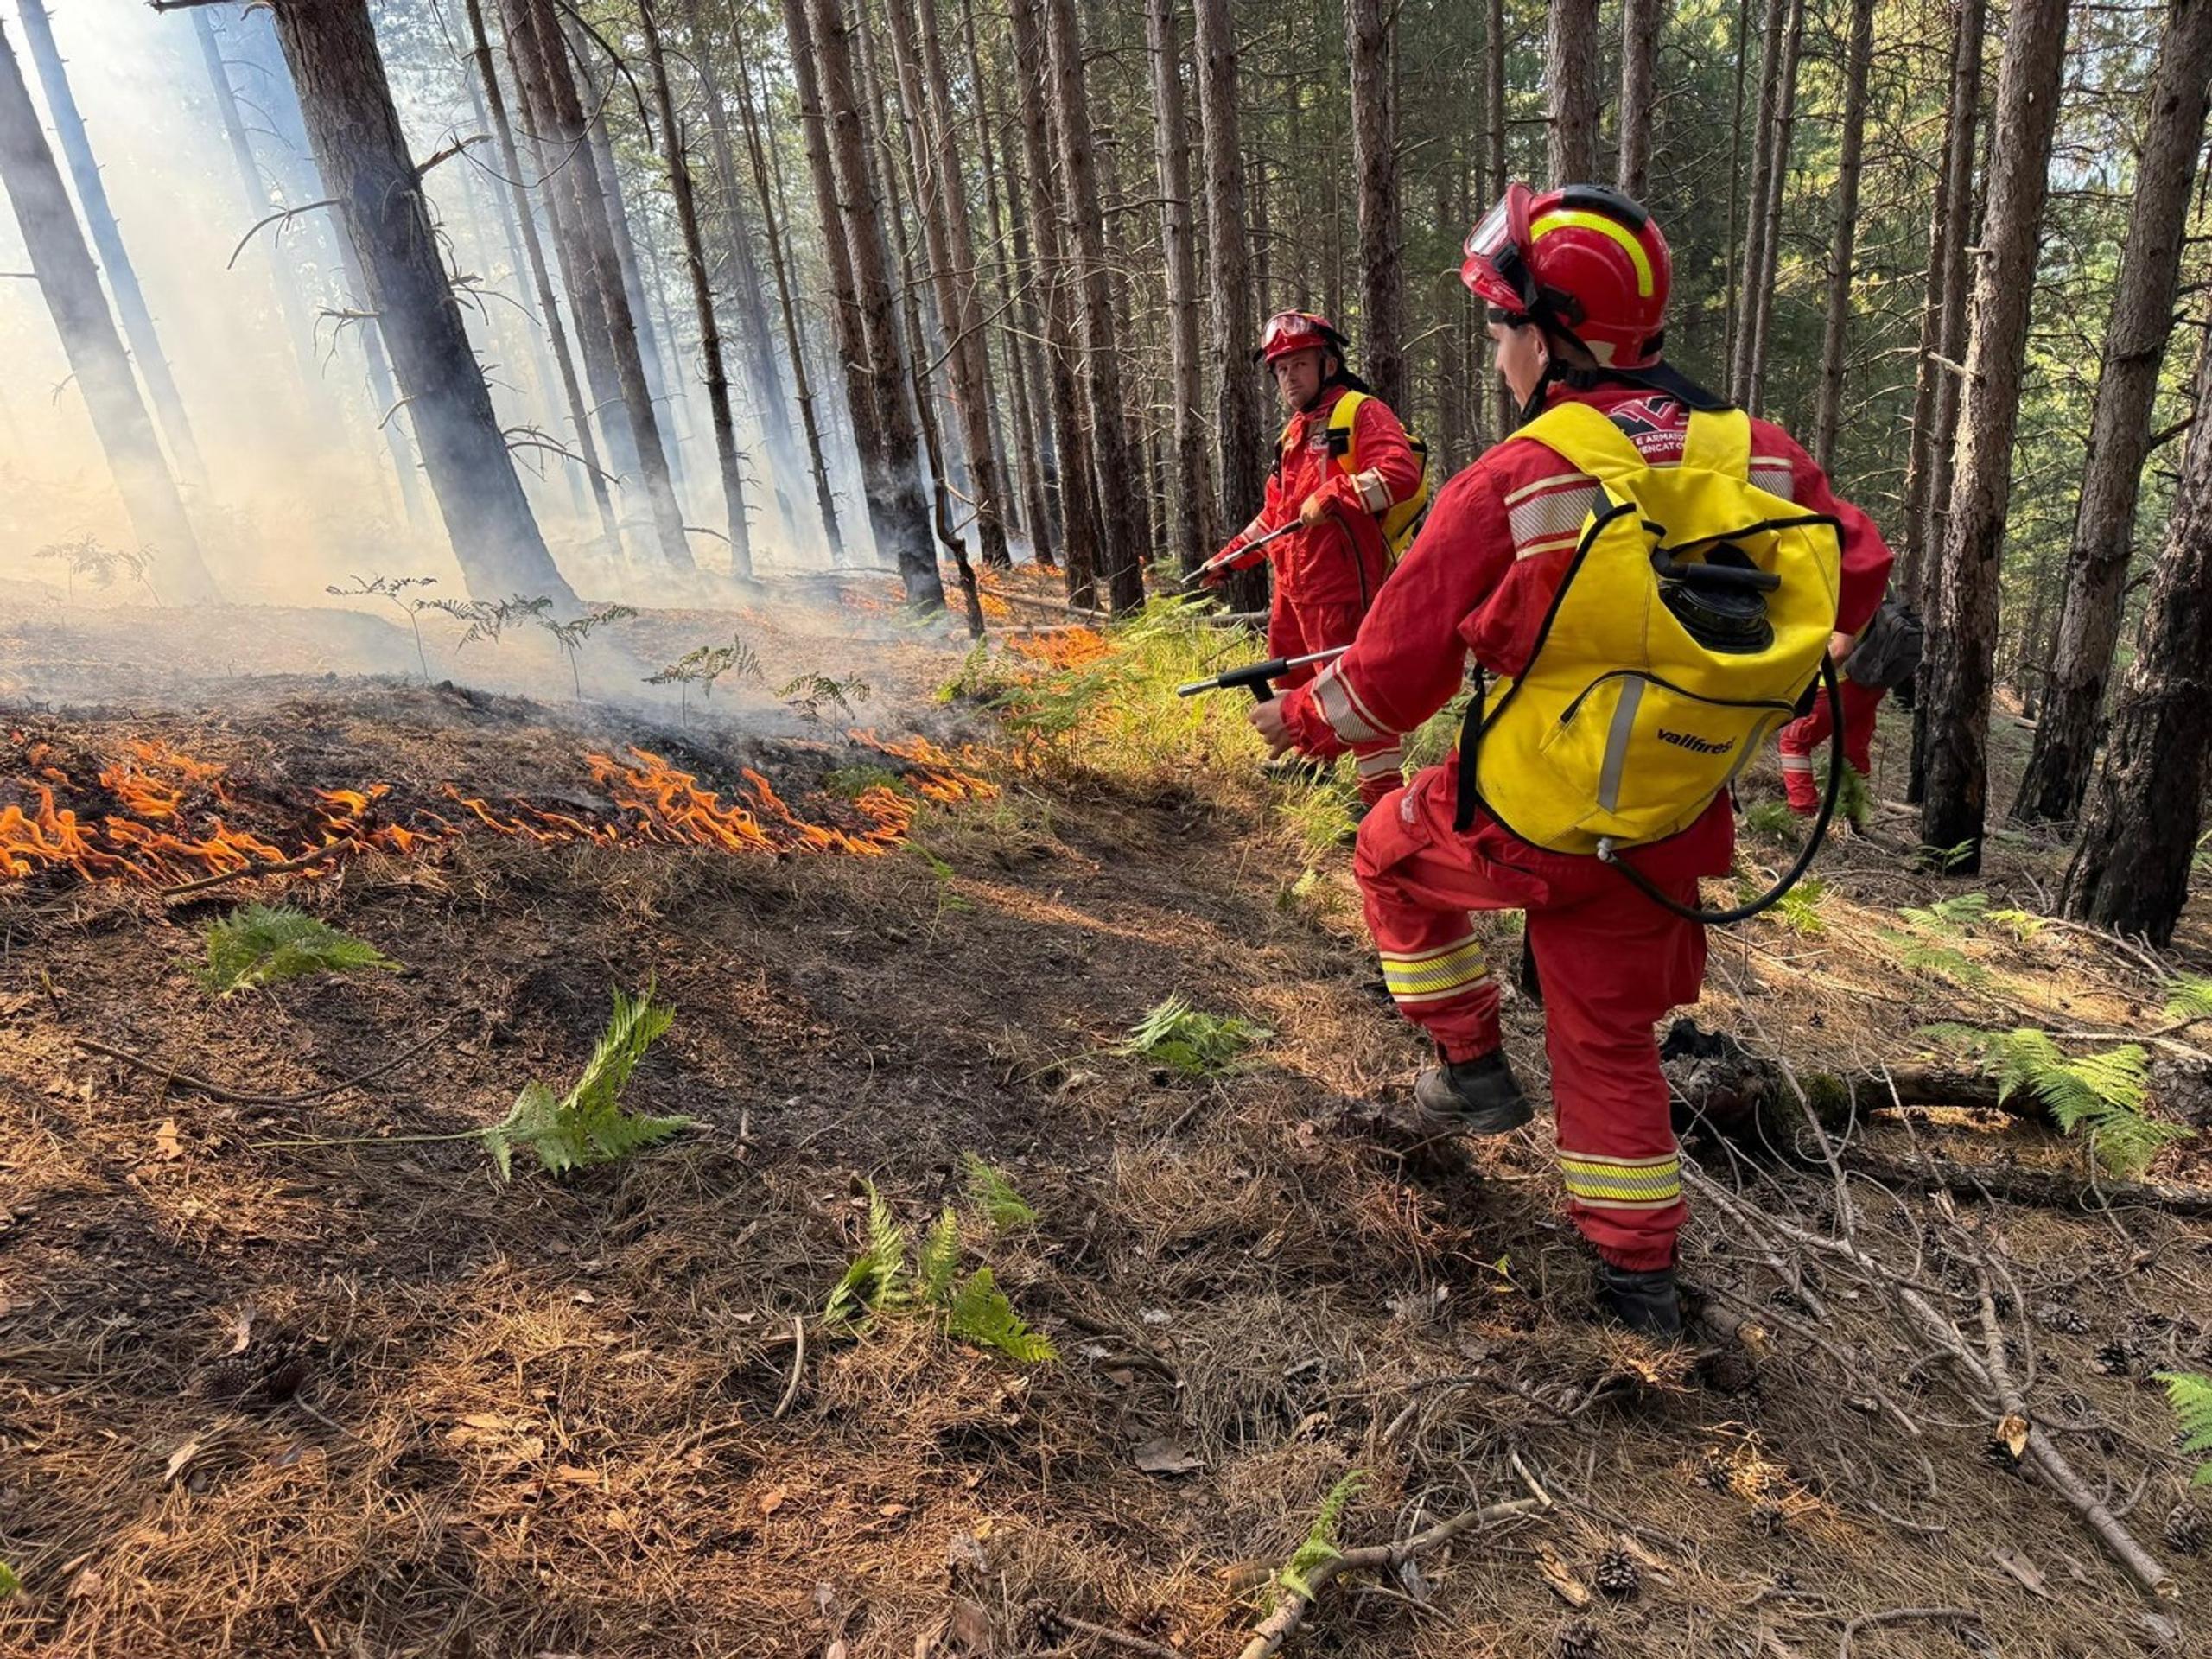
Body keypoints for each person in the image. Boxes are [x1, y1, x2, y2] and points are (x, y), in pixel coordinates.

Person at [1248, 184, 1894, 1337]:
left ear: (1545, 336)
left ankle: (1472, 1065)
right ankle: (1640, 1286)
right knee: (1605, 1044)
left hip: (1531, 810)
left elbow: (1395, 677)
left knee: (1390, 852)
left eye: (1499, 329)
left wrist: (1298, 719)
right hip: (1662, 821)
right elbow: (1860, 576)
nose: (1495, 352)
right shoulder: (1766, 456)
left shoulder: (1523, 473)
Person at [1206, 312, 1427, 807]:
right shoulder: (1292, 436)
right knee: (1295, 684)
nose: (1289, 377)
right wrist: (1229, 559)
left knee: (1353, 690)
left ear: (1327, 364)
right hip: (1293, 590)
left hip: (1343, 588)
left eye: (1299, 364)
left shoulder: (1361, 412)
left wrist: (1340, 493)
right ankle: (1314, 769)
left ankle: (1381, 800)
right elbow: (1274, 516)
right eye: (1281, 369)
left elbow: (1400, 473)